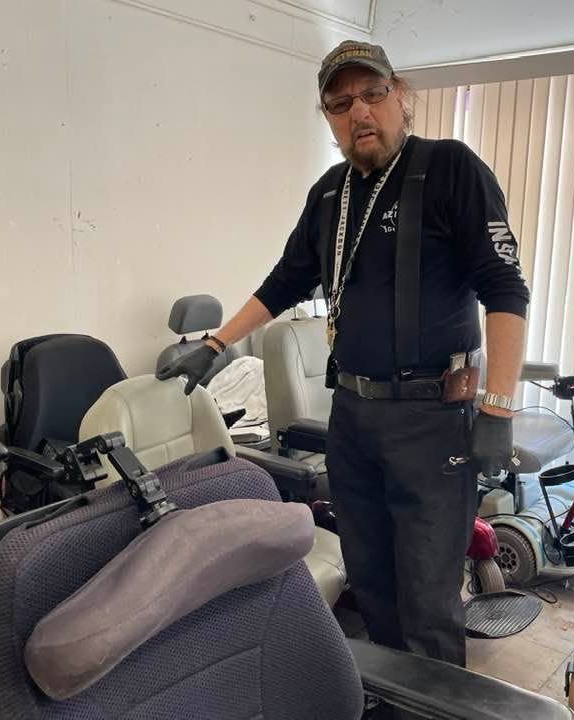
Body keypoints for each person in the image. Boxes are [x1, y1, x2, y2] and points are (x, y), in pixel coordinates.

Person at [158, 40, 528, 671]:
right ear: (329, 118)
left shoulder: (450, 169)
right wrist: (216, 346)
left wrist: (498, 407)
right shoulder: (330, 194)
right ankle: (390, 700)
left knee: (429, 599)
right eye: (340, 102)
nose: (360, 112)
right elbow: (285, 280)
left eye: (373, 94)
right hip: (352, 417)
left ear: (401, 97)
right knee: (372, 583)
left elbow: (505, 288)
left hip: (433, 422)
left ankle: (435, 715)